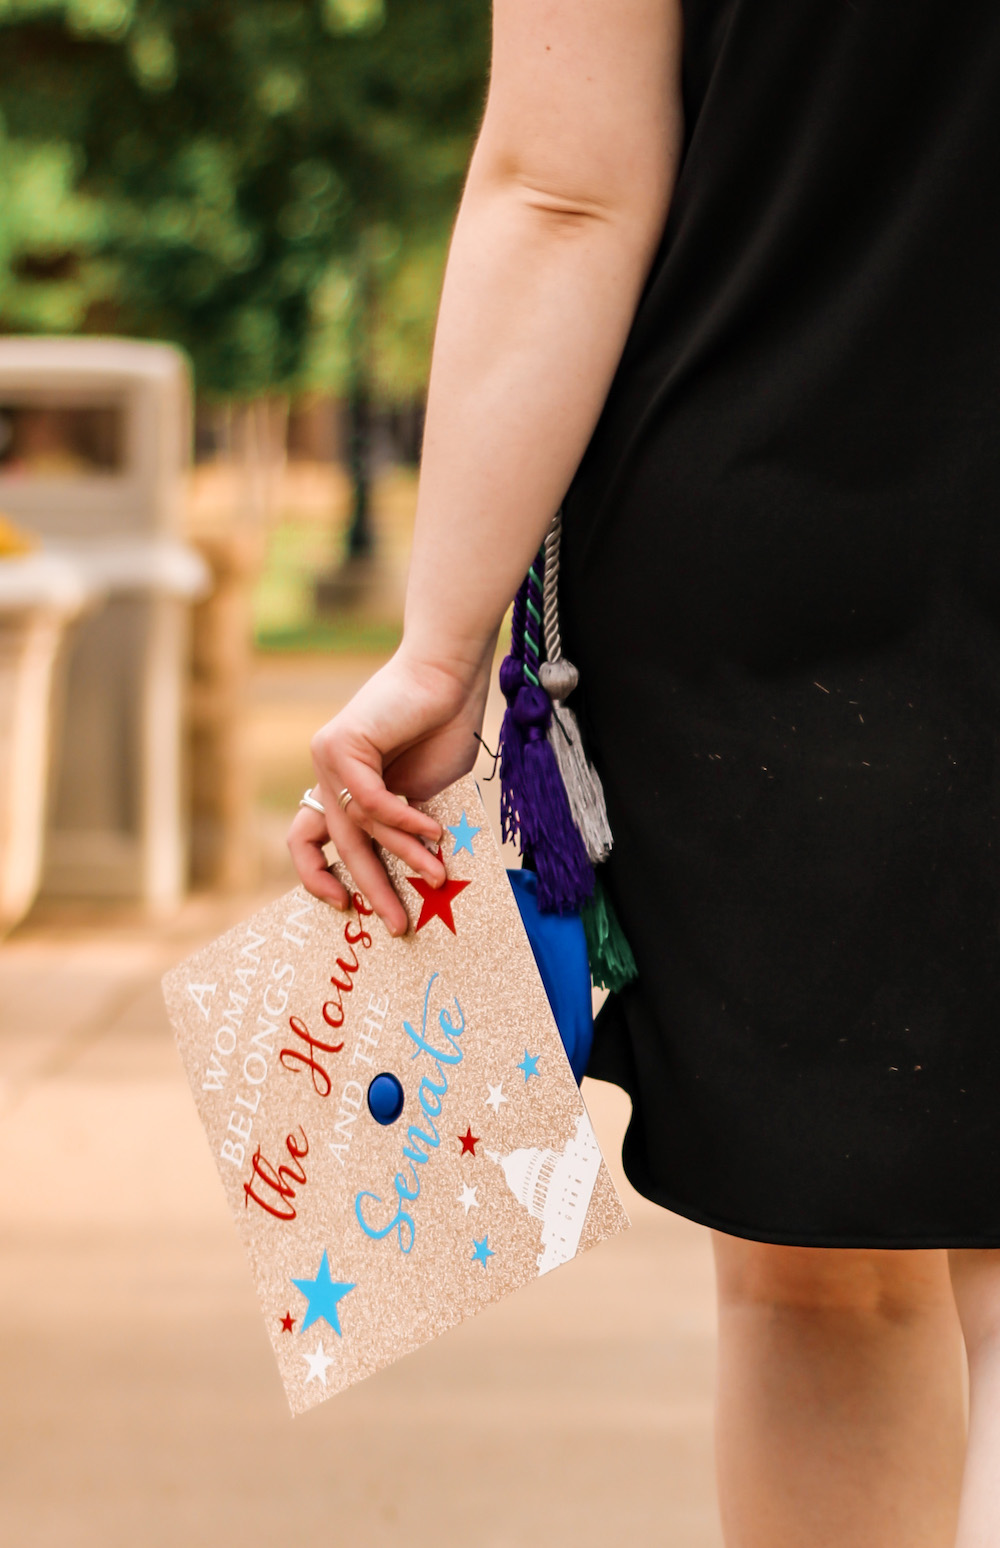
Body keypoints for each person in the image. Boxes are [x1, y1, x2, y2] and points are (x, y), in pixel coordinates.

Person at [287, 2, 1000, 1541]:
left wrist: (440, 644)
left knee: (841, 1271)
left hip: (802, 541)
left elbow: (563, 182)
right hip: (816, 574)